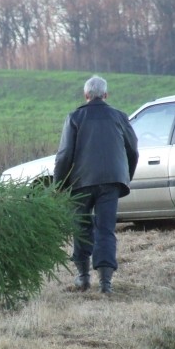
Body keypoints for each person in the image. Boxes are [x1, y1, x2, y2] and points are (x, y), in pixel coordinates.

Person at [54, 75, 139, 294]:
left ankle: (83, 278)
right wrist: (125, 177)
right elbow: (133, 150)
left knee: (81, 228)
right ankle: (105, 284)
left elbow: (64, 155)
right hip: (111, 182)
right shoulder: (119, 117)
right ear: (105, 95)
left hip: (81, 183)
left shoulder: (74, 117)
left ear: (86, 95)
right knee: (106, 229)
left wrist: (59, 185)